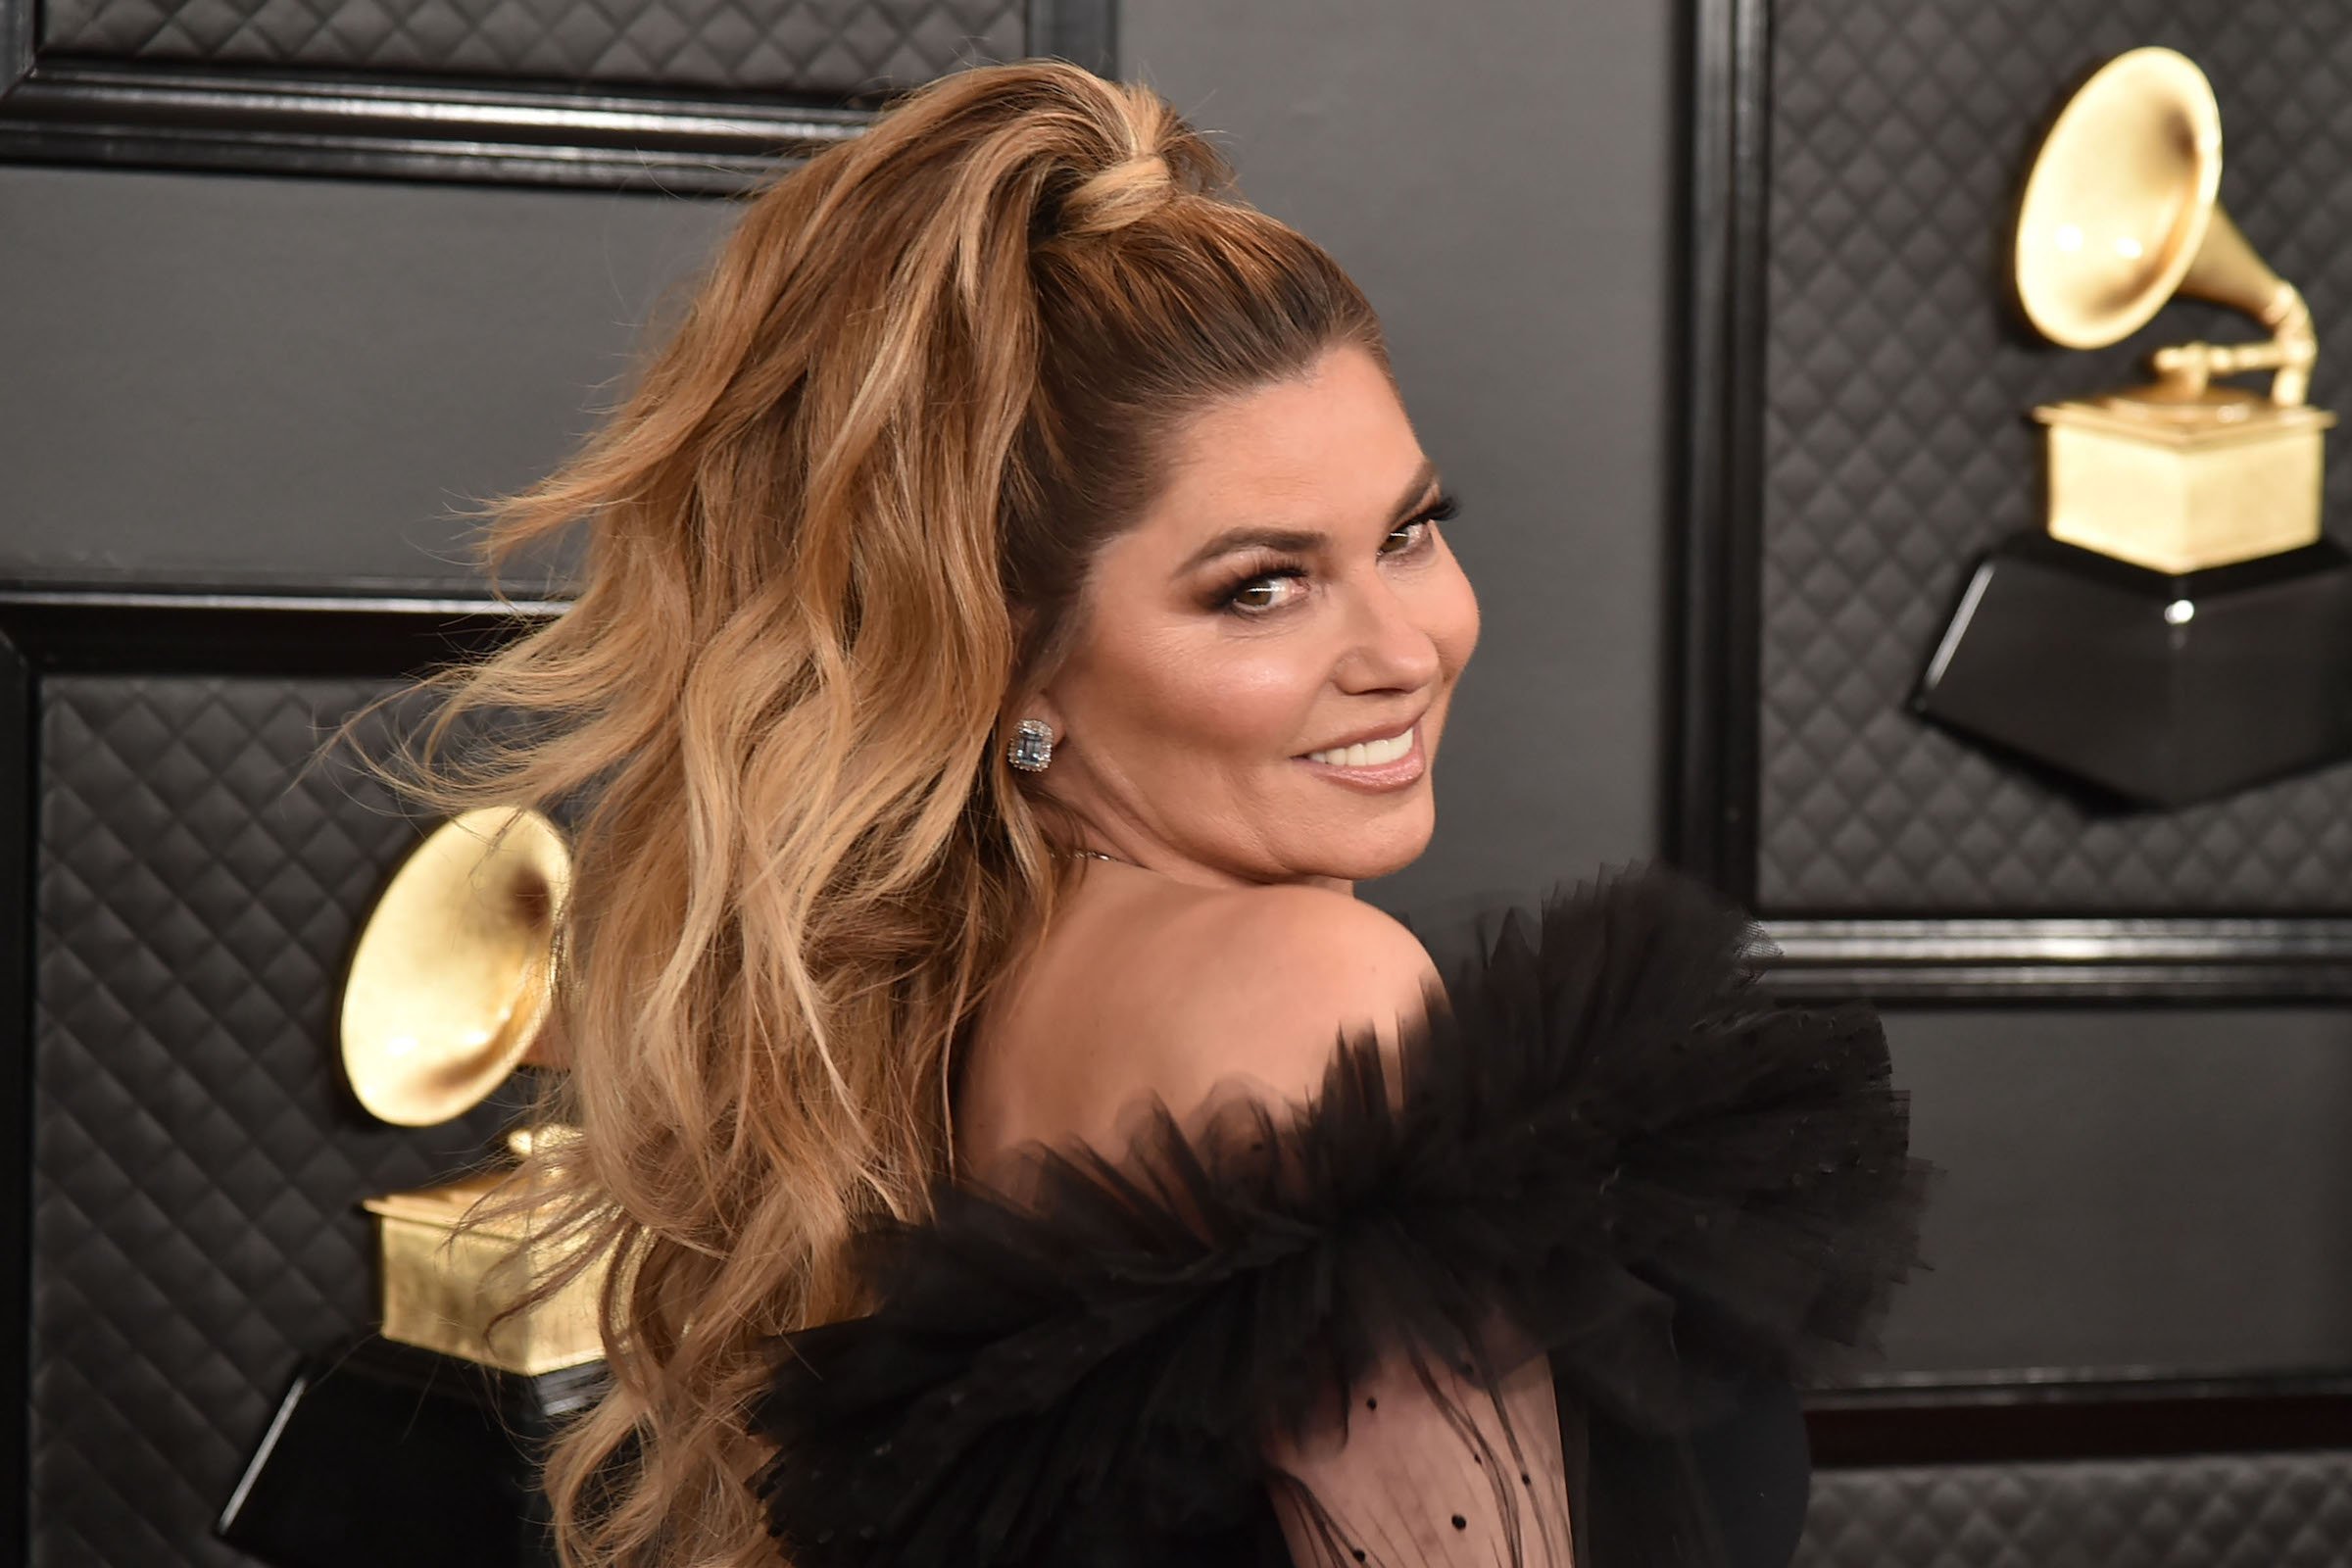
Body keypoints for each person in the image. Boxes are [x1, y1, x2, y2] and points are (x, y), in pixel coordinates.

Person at [409, 59, 1925, 1568]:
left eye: (1407, 535)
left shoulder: (943, 1023)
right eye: (1259, 589)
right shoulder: (1303, 992)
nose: (1406, 651)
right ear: (1011, 668)